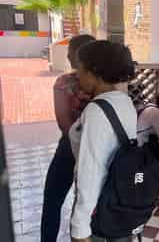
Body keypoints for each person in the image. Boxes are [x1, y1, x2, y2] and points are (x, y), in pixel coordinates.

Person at [69, 41, 137, 242]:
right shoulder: (123, 101)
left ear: (94, 73)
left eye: (80, 68)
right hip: (121, 201)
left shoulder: (96, 111)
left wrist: (80, 227)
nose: (77, 74)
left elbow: (91, 170)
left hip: (99, 209)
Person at [41, 34, 95, 242]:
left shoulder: (64, 83)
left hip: (70, 149)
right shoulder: (105, 83)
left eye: (72, 54)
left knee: (53, 201)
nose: (69, 58)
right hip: (94, 149)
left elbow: (63, 123)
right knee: (83, 203)